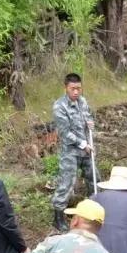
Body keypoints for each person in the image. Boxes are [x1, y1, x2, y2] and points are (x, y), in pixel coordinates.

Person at [52, 73, 95, 233]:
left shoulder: (82, 101)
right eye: (73, 89)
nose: (76, 92)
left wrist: (91, 124)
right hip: (70, 151)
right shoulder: (59, 106)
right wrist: (83, 144)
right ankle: (58, 218)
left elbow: (88, 119)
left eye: (78, 88)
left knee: (94, 178)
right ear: (66, 88)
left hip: (87, 149)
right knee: (66, 183)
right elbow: (65, 133)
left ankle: (92, 211)